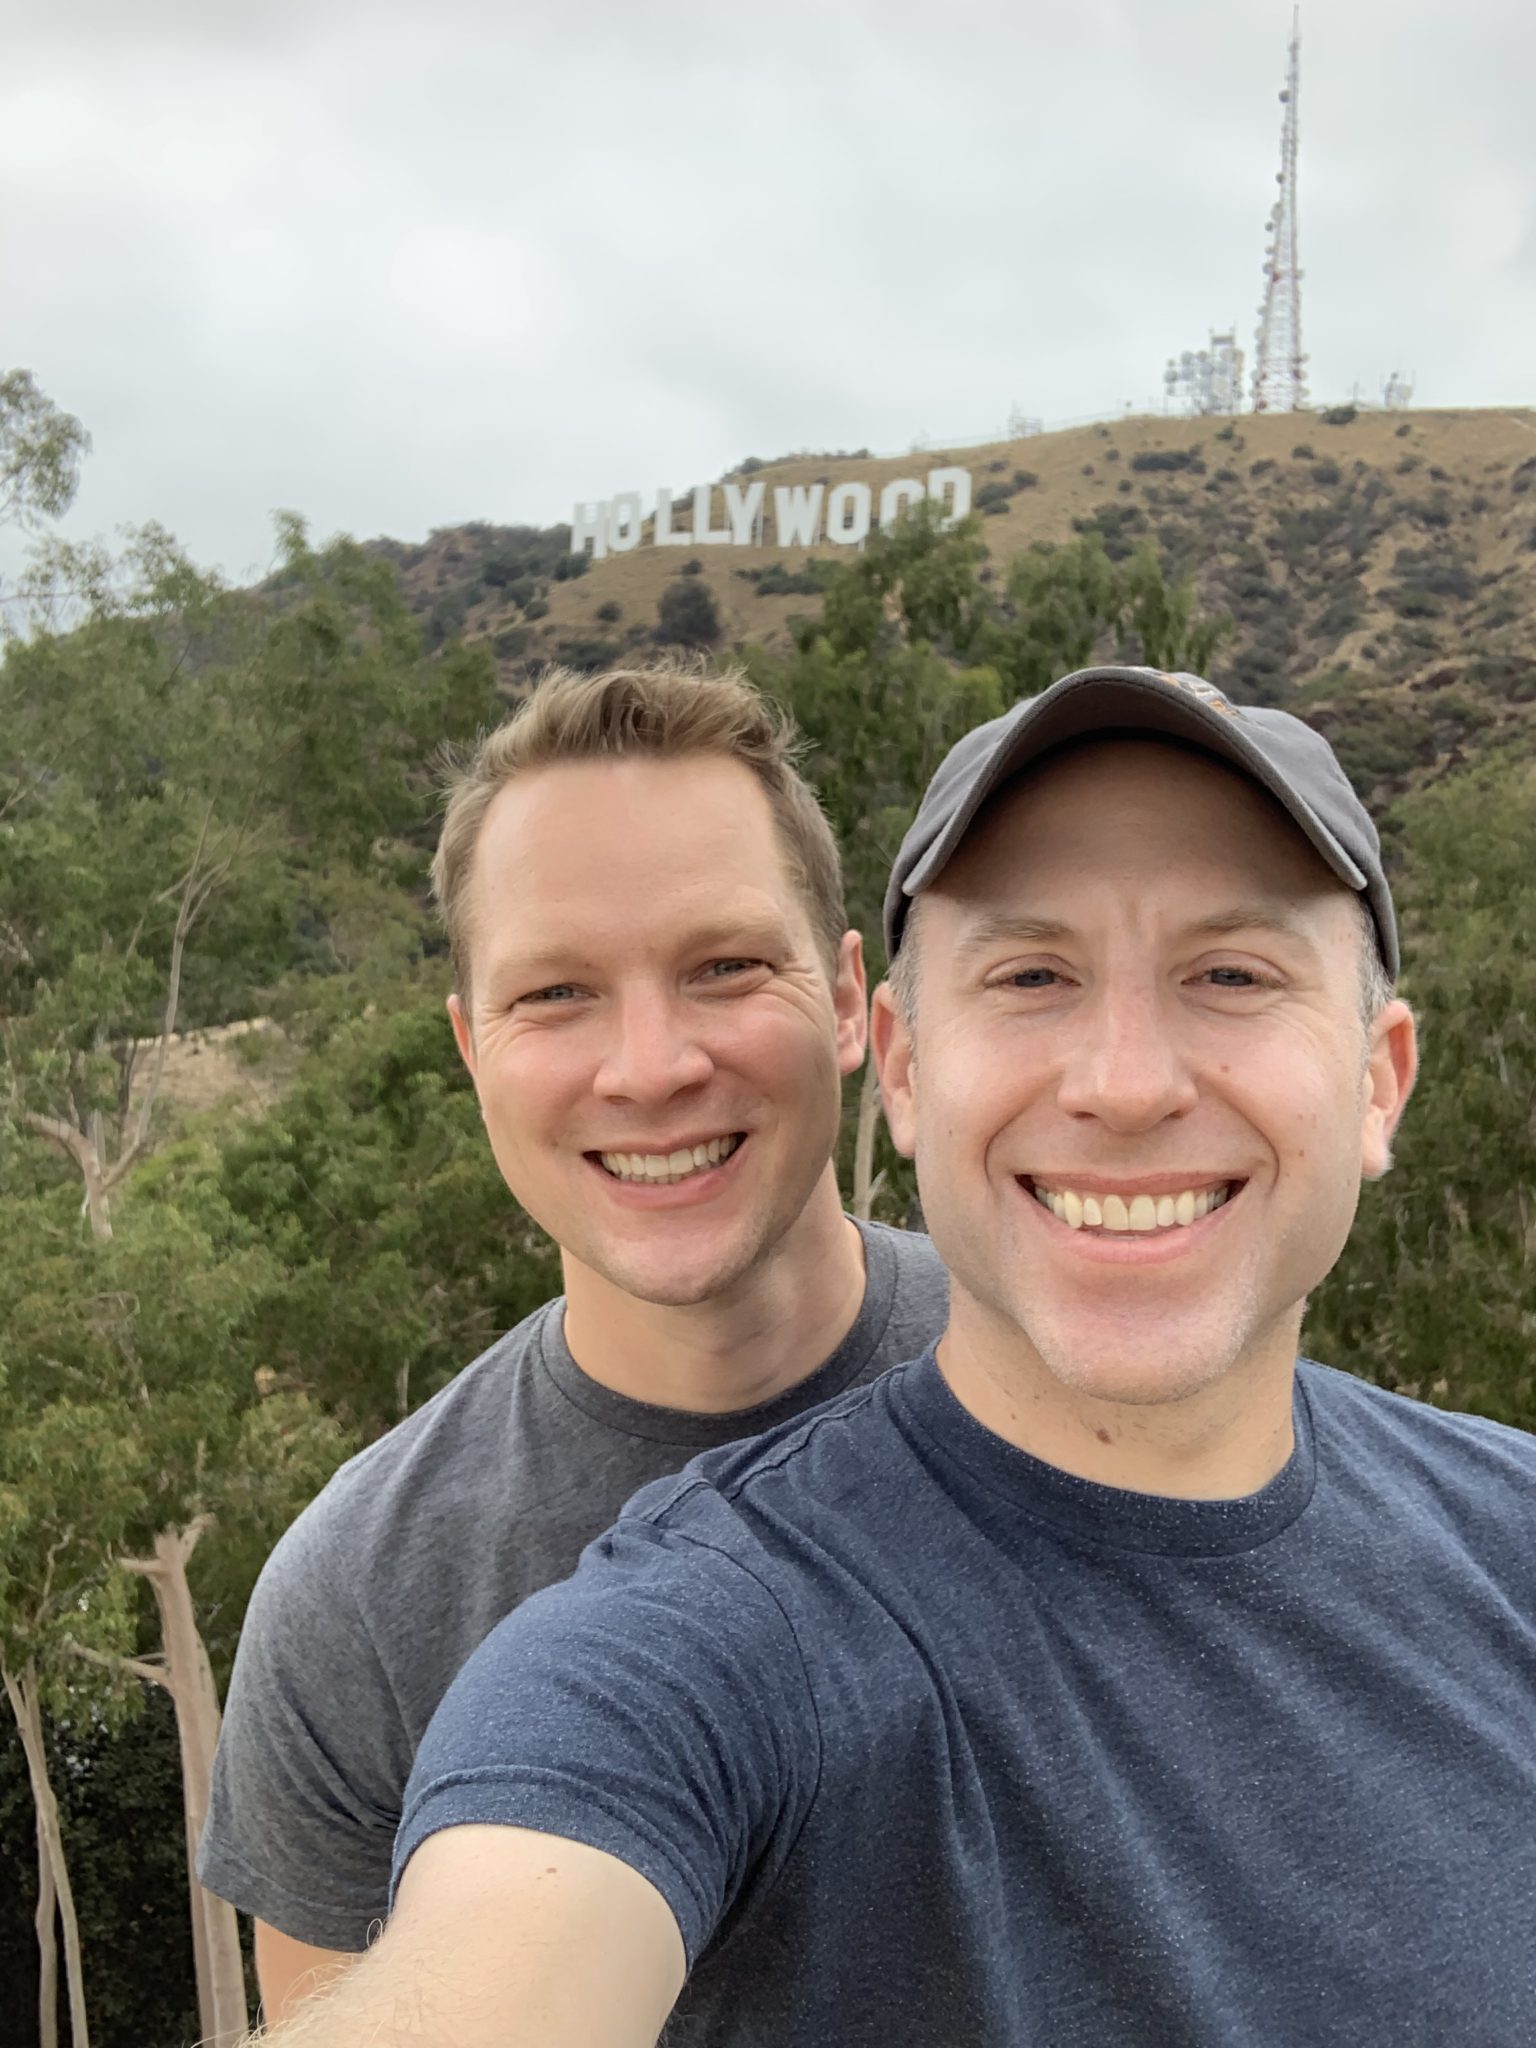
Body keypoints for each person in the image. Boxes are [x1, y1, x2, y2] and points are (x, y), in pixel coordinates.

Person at [247, 665, 1536, 2047]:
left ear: (1380, 1078)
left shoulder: (1498, 1533)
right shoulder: (641, 1627)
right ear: (911, 1071)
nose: (1125, 1080)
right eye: (1033, 974)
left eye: (1233, 973)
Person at [198, 662, 948, 2022]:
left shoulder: (1094, 1407)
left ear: (848, 1001)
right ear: (471, 1046)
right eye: (555, 994)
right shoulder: (360, 1597)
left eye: (724, 966)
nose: (650, 1066)